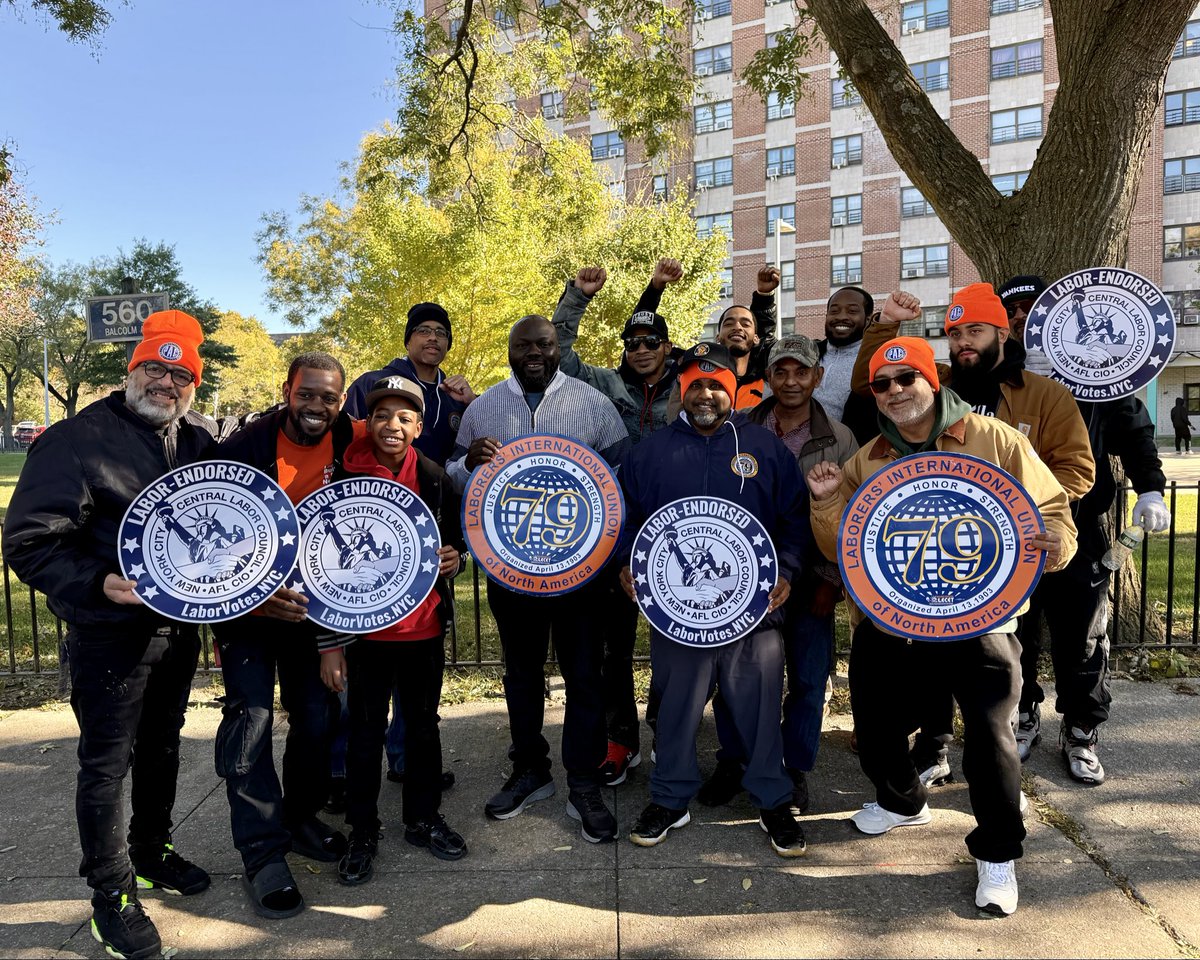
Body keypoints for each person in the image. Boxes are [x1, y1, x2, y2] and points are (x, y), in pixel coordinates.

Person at [807, 335, 1078, 916]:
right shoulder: (870, 456)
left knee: (989, 738)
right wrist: (828, 501)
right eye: (881, 384)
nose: (894, 392)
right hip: (894, 619)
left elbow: (1053, 512)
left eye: (906, 379)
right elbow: (840, 544)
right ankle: (904, 801)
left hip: (980, 616)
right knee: (876, 728)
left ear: (934, 381)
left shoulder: (994, 438)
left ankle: (998, 853)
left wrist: (1054, 545)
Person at [3, 311, 227, 960]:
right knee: (106, 766)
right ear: (132, 371)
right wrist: (100, 584)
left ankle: (152, 852)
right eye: (154, 368)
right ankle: (111, 897)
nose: (166, 381)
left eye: (180, 372)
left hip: (177, 629)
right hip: (108, 635)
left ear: (193, 383)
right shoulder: (76, 439)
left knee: (161, 749)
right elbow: (29, 543)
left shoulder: (195, 443)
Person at [855, 284, 1095, 787]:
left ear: (1001, 331)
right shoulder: (932, 384)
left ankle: (1032, 750)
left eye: (976, 330)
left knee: (1009, 666)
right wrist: (888, 325)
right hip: (939, 562)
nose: (964, 340)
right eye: (955, 332)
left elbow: (1073, 471)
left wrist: (1017, 515)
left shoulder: (1044, 395)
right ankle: (935, 746)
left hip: (1017, 554)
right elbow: (872, 380)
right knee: (933, 658)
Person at [618, 342, 810, 856]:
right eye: (696, 385)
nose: (705, 394)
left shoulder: (765, 449)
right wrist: (625, 566)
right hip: (678, 613)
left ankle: (774, 800)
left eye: (716, 385)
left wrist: (786, 571)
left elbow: (794, 520)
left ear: (733, 390)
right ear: (682, 391)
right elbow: (628, 522)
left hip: (756, 612)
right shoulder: (649, 453)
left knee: (759, 707)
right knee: (677, 708)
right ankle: (669, 797)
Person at [445, 314, 629, 842]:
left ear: (557, 348)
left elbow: (618, 480)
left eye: (544, 344)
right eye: (523, 345)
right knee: (520, 676)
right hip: (510, 571)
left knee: (584, 678)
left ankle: (584, 780)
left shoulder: (592, 402)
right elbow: (455, 473)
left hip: (580, 572)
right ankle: (530, 768)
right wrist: (469, 464)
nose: (534, 353)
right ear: (510, 350)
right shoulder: (484, 407)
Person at [1000, 274, 1170, 783]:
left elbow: (1135, 432)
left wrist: (1153, 488)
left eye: (1034, 307)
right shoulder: (997, 374)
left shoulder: (1096, 372)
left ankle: (1081, 730)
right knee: (1017, 634)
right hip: (1011, 531)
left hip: (1081, 526)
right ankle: (1023, 714)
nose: (1023, 317)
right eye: (1013, 310)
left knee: (1085, 637)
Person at [211, 352, 359, 919]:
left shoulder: (352, 439)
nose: (316, 406)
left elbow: (410, 438)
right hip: (248, 612)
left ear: (342, 402)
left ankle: (298, 816)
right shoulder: (243, 447)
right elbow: (215, 539)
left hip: (313, 611)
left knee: (319, 719)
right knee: (251, 724)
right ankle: (263, 853)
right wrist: (253, 594)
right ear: (287, 391)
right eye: (307, 394)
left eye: (328, 397)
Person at [317, 376, 468, 884]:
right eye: (383, 415)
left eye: (405, 417)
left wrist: (455, 560)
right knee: (364, 733)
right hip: (363, 636)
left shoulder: (434, 478)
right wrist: (331, 646)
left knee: (424, 728)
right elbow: (318, 565)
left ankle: (422, 818)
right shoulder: (338, 478)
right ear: (369, 419)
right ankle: (363, 829)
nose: (392, 425)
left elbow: (455, 547)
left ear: (419, 427)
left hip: (422, 629)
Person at [700, 335, 858, 812]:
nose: (791, 381)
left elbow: (851, 514)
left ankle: (794, 769)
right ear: (768, 377)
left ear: (817, 376)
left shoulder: (840, 436)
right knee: (737, 679)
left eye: (801, 372)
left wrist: (831, 580)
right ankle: (735, 760)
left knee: (809, 682)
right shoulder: (739, 427)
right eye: (782, 372)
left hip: (811, 578)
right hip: (743, 576)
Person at [549, 258, 683, 785]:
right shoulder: (605, 384)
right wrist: (576, 297)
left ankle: (669, 735)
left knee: (679, 646)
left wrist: (653, 290)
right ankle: (620, 739)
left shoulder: (689, 384)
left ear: (666, 348)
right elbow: (557, 352)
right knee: (614, 647)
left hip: (681, 530)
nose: (642, 349)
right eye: (633, 343)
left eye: (651, 342)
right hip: (619, 533)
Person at [341, 301, 475, 792]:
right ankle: (345, 776)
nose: (432, 339)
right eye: (422, 331)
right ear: (407, 339)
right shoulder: (374, 382)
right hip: (370, 540)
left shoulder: (454, 397)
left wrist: (455, 550)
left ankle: (407, 763)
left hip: (425, 538)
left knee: (418, 705)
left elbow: (463, 469)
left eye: (441, 332)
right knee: (362, 706)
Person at [813, 285, 877, 443]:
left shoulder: (876, 361)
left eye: (852, 311)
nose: (841, 316)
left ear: (868, 319)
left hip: (852, 455)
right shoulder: (811, 353)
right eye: (834, 311)